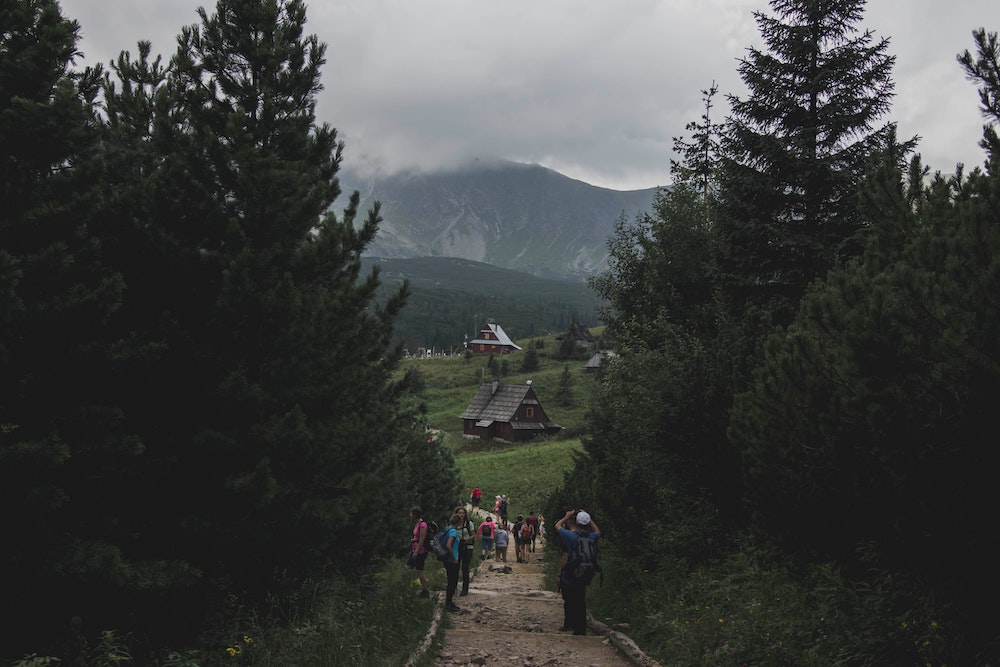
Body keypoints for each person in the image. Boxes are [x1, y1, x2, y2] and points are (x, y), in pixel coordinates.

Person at [556, 509, 601, 635]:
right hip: (585, 574)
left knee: (569, 601)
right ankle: (580, 629)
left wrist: (566, 516)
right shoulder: (591, 537)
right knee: (581, 601)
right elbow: (598, 531)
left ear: (576, 521)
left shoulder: (571, 536)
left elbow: (557, 526)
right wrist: (589, 517)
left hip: (570, 575)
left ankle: (569, 624)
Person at [406, 506, 431, 598]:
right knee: (409, 567)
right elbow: (418, 537)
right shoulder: (417, 524)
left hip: (420, 551)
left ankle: (425, 590)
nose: (410, 515)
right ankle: (411, 588)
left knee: (419, 571)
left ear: (415, 515)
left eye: (411, 513)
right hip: (415, 549)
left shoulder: (422, 525)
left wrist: (416, 552)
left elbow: (422, 539)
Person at [455, 506, 476, 596]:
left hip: (467, 548)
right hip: (457, 548)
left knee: (465, 568)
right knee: (455, 568)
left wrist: (464, 540)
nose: (461, 515)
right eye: (459, 513)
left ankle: (465, 589)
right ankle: (454, 587)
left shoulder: (468, 523)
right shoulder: (454, 523)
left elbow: (473, 535)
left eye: (463, 513)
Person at [444, 513, 462, 612]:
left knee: (450, 581)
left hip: (448, 559)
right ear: (459, 522)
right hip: (452, 560)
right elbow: (448, 545)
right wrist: (454, 558)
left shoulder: (447, 529)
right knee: (452, 582)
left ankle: (449, 602)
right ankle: (449, 603)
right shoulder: (453, 532)